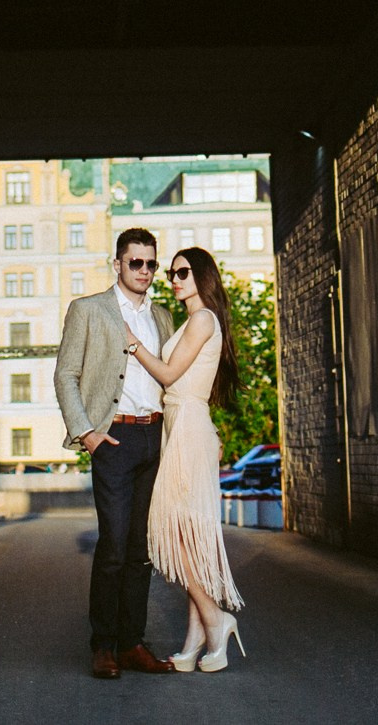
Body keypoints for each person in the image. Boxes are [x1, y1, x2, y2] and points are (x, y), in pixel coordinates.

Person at [54, 227, 177, 679]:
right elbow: (66, 375)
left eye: (151, 264)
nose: (144, 271)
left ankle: (132, 643)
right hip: (114, 440)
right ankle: (103, 645)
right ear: (118, 265)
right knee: (114, 545)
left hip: (154, 437)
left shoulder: (162, 317)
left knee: (141, 549)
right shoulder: (88, 310)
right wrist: (85, 432)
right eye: (135, 263)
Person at [125, 246, 246, 672]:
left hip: (188, 427)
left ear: (203, 276)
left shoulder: (202, 319)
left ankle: (216, 620)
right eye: (171, 273)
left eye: (183, 272)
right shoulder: (193, 320)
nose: (173, 279)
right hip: (179, 426)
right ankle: (197, 639)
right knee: (189, 535)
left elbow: (169, 374)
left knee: (177, 533)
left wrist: (132, 344)